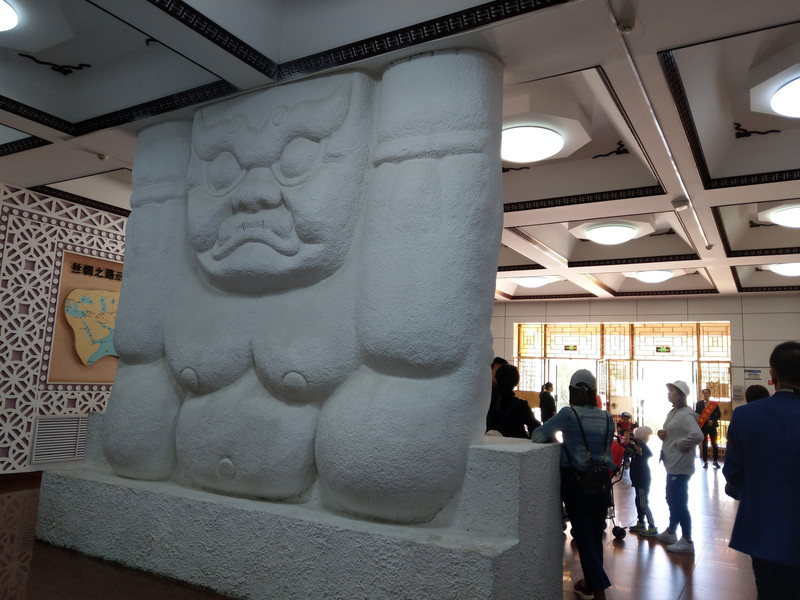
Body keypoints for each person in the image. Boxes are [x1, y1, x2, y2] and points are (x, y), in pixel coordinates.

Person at [723, 341, 800, 599]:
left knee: (769, 591)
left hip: (763, 529)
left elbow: (733, 473)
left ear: (773, 376)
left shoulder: (745, 416)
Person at [532, 369, 615, 600]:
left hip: (576, 485)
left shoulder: (569, 414)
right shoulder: (607, 417)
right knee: (595, 537)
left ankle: (600, 591)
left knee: (584, 538)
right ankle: (589, 585)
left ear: (571, 390)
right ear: (594, 391)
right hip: (601, 483)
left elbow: (537, 435)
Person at [656, 380, 704, 553]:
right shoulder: (674, 412)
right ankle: (671, 531)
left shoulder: (686, 414)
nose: (669, 393)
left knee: (678, 501)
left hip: (680, 465)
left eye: (672, 390)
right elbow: (675, 432)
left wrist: (680, 443)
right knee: (672, 498)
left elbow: (698, 435)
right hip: (672, 463)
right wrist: (665, 435)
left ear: (681, 395)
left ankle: (687, 540)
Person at [485, 364, 540, 439]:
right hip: (515, 444)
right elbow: (535, 428)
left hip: (488, 444)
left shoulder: (486, 402)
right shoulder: (521, 405)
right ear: (516, 382)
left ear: (497, 379)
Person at [627, 426, 658, 537]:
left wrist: (639, 447)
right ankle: (641, 522)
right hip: (637, 480)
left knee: (643, 504)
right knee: (638, 501)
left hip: (642, 480)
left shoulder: (643, 449)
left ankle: (652, 527)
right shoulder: (636, 446)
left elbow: (649, 453)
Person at [695, 388, 721, 468]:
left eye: (707, 393)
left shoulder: (714, 404)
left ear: (709, 394)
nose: (705, 395)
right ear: (702, 395)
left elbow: (718, 414)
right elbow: (697, 414)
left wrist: (713, 420)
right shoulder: (699, 404)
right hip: (703, 426)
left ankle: (715, 461)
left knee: (714, 444)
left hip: (712, 426)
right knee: (704, 444)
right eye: (704, 393)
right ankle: (705, 461)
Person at [486, 357, 509, 432]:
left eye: (504, 372)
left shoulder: (507, 396)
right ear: (490, 371)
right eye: (499, 371)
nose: (501, 375)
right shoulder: (485, 394)